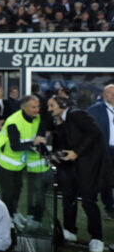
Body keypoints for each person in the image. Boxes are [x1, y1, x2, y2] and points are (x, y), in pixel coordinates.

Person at [48, 96, 114, 252]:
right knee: (68, 198)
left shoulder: (77, 114)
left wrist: (77, 152)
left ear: (63, 105)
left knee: (88, 201)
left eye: (52, 105)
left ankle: (96, 238)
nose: (49, 109)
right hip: (70, 168)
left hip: (88, 167)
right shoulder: (61, 121)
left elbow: (95, 134)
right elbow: (65, 143)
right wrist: (57, 154)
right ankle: (70, 231)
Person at [0, 95, 50, 226]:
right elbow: (15, 146)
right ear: (24, 107)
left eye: (38, 106)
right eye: (34, 107)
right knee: (8, 191)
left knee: (18, 188)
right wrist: (34, 142)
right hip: (4, 161)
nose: (37, 110)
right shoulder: (13, 122)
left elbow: (40, 130)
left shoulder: (37, 117)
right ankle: (7, 219)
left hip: (18, 162)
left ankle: (13, 213)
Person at [86, 84, 114, 219]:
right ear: (104, 95)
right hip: (104, 150)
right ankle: (109, 207)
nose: (113, 95)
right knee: (106, 179)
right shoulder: (94, 110)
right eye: (110, 92)